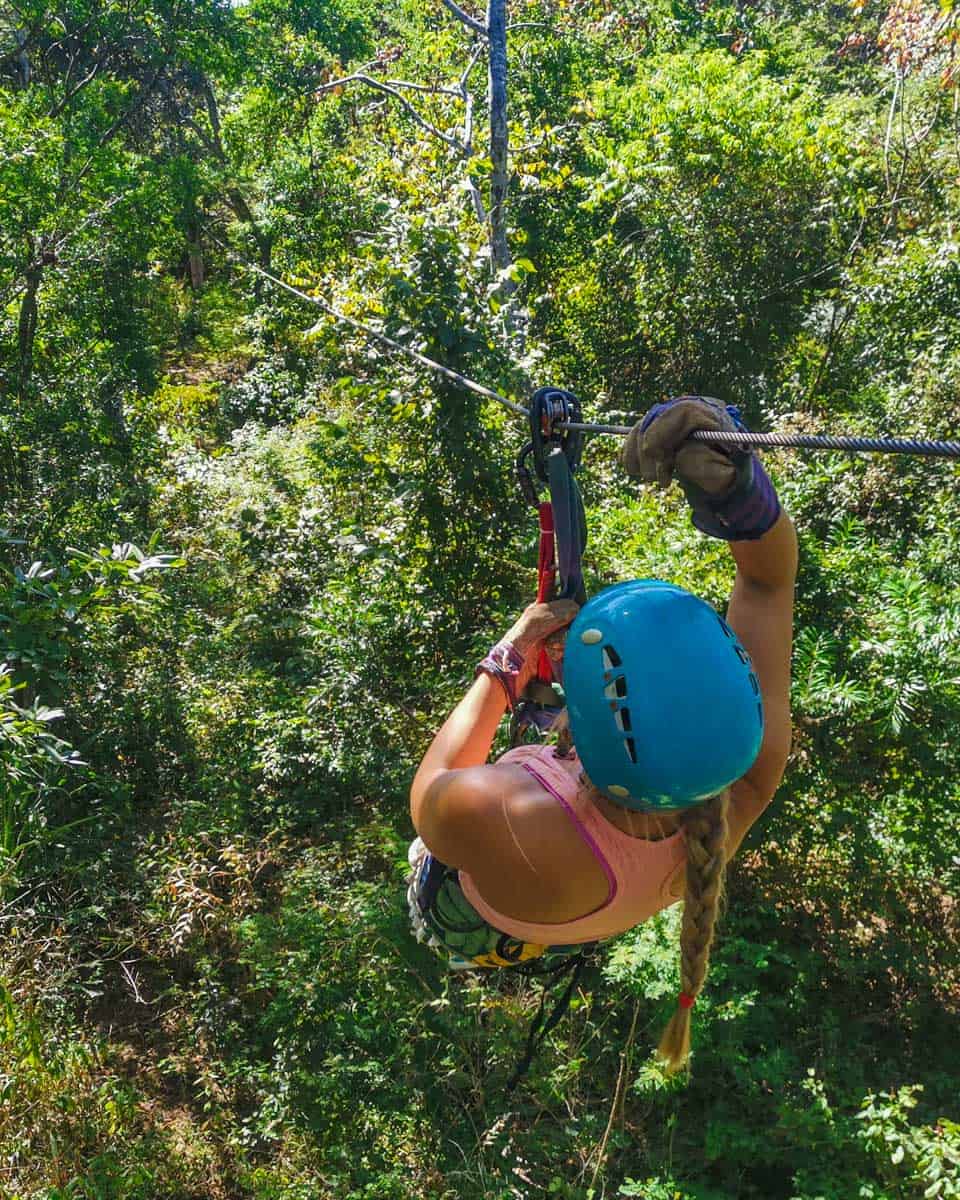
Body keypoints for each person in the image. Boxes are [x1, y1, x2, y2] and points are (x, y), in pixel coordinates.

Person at [408, 396, 798, 1071]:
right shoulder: (744, 776)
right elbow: (767, 583)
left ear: (582, 732)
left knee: (427, 846)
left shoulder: (502, 810)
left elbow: (432, 793)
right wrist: (736, 487)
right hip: (571, 897)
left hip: (469, 905)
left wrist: (512, 655)